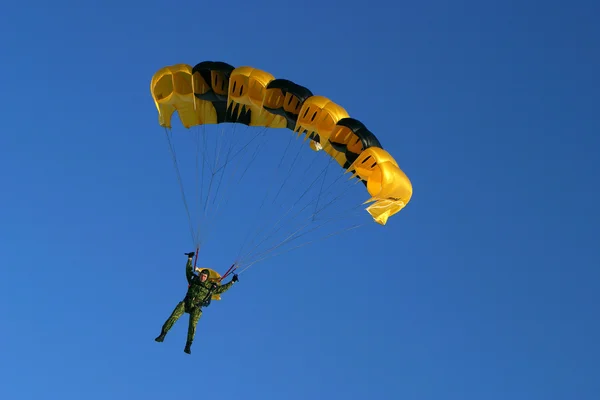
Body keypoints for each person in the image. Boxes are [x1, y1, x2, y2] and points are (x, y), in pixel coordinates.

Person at [154, 251, 239, 354]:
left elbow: (222, 289)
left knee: (192, 325)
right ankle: (163, 334)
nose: (202, 277)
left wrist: (232, 282)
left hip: (197, 307)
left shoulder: (210, 287)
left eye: (204, 276)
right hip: (186, 302)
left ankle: (188, 345)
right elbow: (188, 271)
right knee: (173, 316)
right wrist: (190, 259)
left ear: (207, 278)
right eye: (201, 275)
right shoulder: (194, 280)